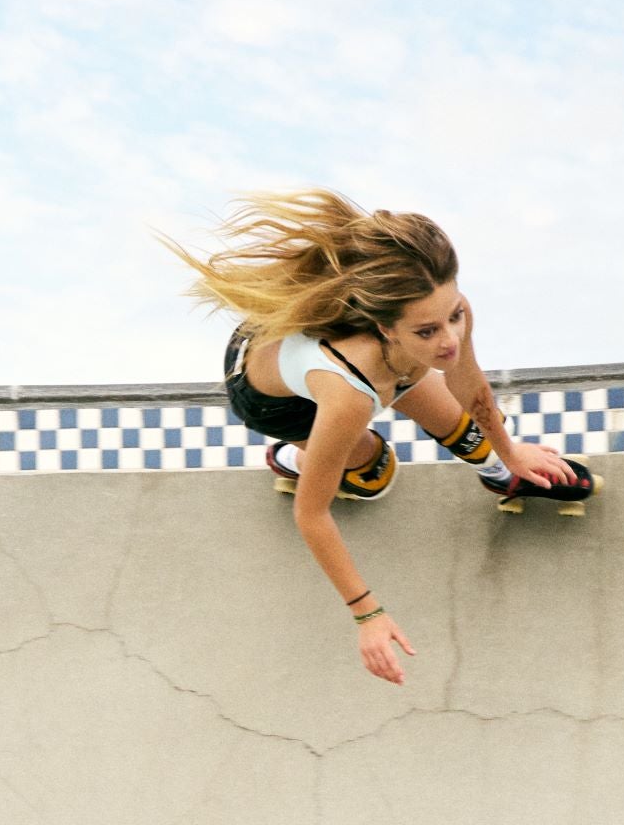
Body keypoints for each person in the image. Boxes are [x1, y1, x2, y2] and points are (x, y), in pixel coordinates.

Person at [164, 190, 593, 684]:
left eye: (453, 316)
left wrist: (508, 452)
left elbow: (466, 381)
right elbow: (312, 514)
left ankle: (498, 478)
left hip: (352, 356)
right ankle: (297, 455)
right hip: (269, 394)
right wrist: (367, 615)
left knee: (460, 422)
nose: (450, 339)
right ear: (384, 327)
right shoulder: (348, 392)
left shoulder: (441, 311)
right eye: (428, 331)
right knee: (373, 473)